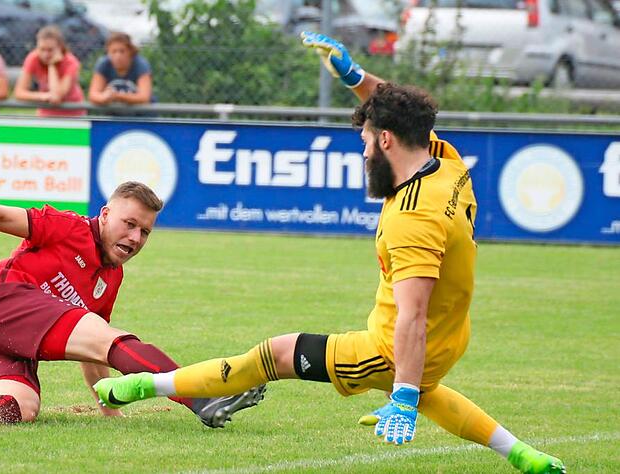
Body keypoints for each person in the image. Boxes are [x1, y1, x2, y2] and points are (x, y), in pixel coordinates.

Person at [92, 34, 566, 474]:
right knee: (429, 391)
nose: (361, 152)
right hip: (451, 337)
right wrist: (356, 77)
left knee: (273, 355)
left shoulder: (411, 218)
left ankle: (142, 385)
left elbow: (413, 317)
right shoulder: (447, 162)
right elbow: (404, 117)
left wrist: (401, 393)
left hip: (389, 349)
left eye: (364, 141)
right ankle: (521, 454)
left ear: (384, 141)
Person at [0, 181, 264, 427]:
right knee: (110, 337)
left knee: (22, 407)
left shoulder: (111, 278)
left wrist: (109, 411)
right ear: (104, 214)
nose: (134, 238)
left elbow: (95, 351)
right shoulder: (70, 228)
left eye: (144, 232)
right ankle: (202, 396)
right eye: (129, 224)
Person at [13, 26, 85, 117]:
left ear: (60, 48)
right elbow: (19, 92)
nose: (45, 54)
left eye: (50, 50)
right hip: (46, 112)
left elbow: (56, 97)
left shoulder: (71, 62)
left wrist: (52, 66)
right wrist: (42, 96)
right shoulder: (33, 58)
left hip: (72, 112)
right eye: (42, 49)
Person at [88, 32, 154, 107]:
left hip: (141, 116)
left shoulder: (141, 64)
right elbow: (93, 95)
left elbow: (144, 97)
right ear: (108, 52)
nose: (118, 56)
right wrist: (105, 97)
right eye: (113, 51)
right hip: (113, 117)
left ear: (130, 51)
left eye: (122, 51)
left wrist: (117, 96)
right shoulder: (103, 64)